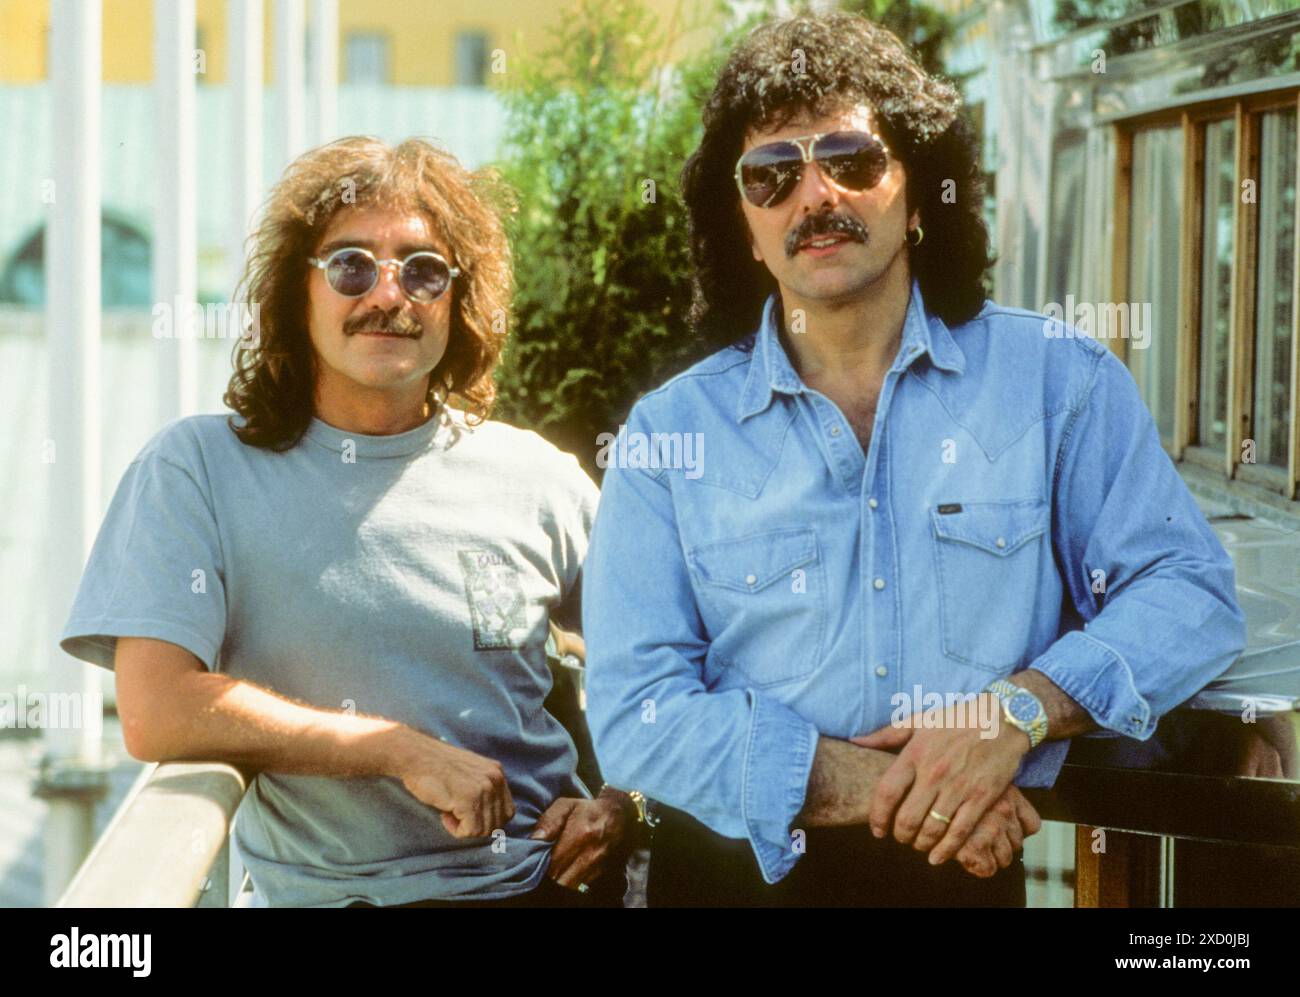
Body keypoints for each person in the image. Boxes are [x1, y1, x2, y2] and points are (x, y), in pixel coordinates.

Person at [581, 12, 1247, 907]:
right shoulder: (670, 434)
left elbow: (1188, 592)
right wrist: (900, 789)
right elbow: (635, 714)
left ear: (919, 186)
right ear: (742, 225)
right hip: (738, 877)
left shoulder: (1058, 381)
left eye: (850, 160)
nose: (814, 196)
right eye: (772, 174)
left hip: (961, 885)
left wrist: (1012, 714)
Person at [60, 136, 634, 908]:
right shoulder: (196, 469)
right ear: (298, 295)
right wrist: (391, 749)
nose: (388, 295)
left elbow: (669, 663)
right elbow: (154, 709)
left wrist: (623, 802)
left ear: (459, 301)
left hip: (536, 886)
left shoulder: (536, 478)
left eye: (424, 270)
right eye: (351, 265)